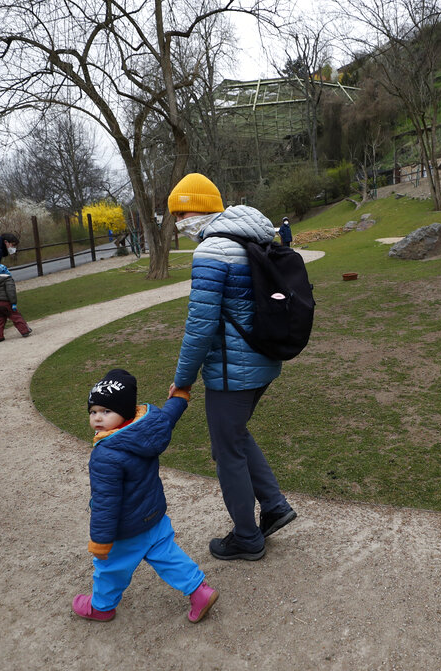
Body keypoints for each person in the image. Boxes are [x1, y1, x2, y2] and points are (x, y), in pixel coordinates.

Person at [166, 172, 297, 562]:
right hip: (263, 359)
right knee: (235, 438)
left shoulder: (211, 250)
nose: (178, 222)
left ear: (198, 208)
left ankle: (246, 537)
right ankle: (273, 506)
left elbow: (200, 325)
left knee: (227, 452)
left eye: (180, 213)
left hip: (231, 371)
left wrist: (182, 381)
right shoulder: (251, 235)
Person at [73, 368, 219, 624]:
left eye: (107, 411)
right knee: (167, 555)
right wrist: (180, 396)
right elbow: (168, 416)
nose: (98, 418)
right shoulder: (148, 425)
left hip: (126, 529)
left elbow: (106, 502)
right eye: (93, 411)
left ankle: (102, 607)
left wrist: (101, 541)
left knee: (109, 569)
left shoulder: (106, 455)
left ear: (125, 412)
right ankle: (199, 591)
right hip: (153, 515)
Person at [0, 263, 32, 343]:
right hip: (5, 302)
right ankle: (25, 330)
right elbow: (11, 292)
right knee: (15, 316)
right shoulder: (8, 279)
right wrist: (13, 303)